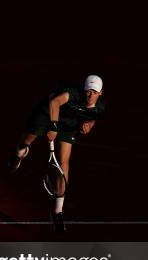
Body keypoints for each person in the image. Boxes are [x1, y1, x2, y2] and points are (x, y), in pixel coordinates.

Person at [8, 74, 105, 232]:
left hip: (68, 124)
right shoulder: (71, 93)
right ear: (83, 90)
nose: (90, 95)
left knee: (63, 163)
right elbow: (55, 102)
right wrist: (53, 126)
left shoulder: (100, 107)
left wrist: (89, 125)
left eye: (94, 92)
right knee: (26, 141)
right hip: (47, 113)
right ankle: (19, 153)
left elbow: (92, 118)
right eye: (88, 91)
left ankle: (57, 212)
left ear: (100, 93)